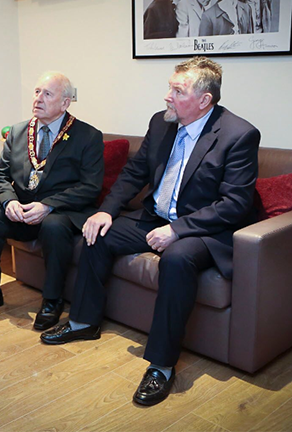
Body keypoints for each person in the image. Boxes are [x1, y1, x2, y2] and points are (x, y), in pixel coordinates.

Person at [40, 57, 260, 407]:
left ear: (204, 100)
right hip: (155, 216)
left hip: (204, 228)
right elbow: (134, 173)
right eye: (169, 88)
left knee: (175, 261)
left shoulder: (238, 135)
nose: (166, 97)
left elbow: (234, 204)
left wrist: (178, 229)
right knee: (96, 233)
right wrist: (104, 212)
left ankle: (161, 365)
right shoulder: (162, 123)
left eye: (177, 90)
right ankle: (83, 321)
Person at [0, 72, 104, 331]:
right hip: (22, 208)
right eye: (37, 92)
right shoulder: (17, 132)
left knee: (54, 226)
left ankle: (52, 300)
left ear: (65, 102)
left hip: (61, 211)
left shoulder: (88, 136)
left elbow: (90, 187)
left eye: (47, 94)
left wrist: (48, 206)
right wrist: (9, 202)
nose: (38, 99)